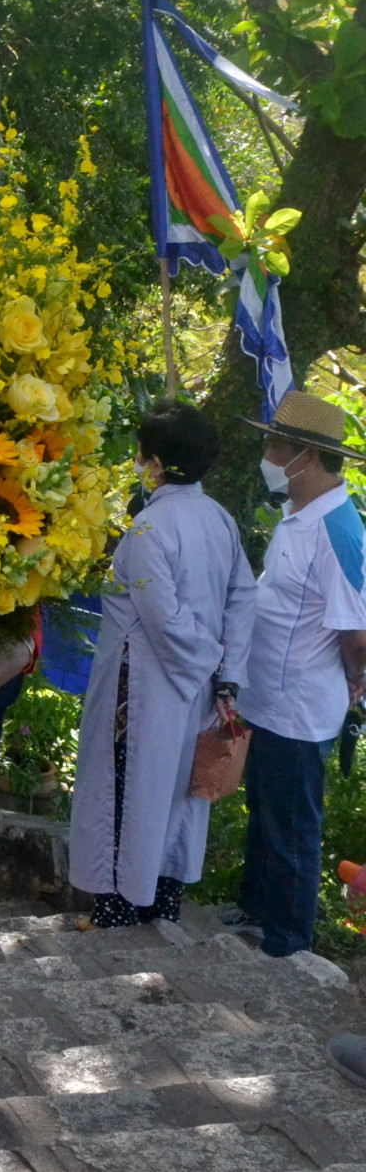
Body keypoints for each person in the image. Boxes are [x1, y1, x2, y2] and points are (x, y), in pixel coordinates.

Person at [64, 403, 256, 935]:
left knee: (130, 792)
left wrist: (212, 662)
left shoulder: (150, 527)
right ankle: (161, 904)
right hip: (199, 690)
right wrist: (226, 676)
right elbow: (244, 600)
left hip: (148, 686)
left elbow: (164, 618)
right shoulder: (220, 520)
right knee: (175, 795)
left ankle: (118, 909)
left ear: (153, 461)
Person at [227, 392, 366, 959]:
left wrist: (357, 679)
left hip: (300, 706)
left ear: (305, 455)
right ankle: (256, 913)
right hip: (269, 699)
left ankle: (287, 946)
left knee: (291, 830)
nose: (266, 452)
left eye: (274, 444)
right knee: (265, 814)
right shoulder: (300, 515)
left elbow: (357, 633)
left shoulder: (339, 530)